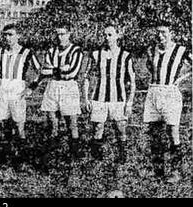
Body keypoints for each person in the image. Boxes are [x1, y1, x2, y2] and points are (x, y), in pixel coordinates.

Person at [144, 21, 191, 183]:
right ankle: (158, 171)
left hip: (170, 92)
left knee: (173, 131)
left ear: (172, 33)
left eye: (164, 32)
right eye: (158, 32)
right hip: (153, 92)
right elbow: (151, 68)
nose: (160, 35)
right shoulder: (151, 50)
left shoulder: (181, 50)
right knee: (154, 133)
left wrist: (181, 80)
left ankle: (176, 171)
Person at [82, 24, 136, 163]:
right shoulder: (96, 54)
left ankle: (122, 157)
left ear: (118, 35)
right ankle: (96, 159)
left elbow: (132, 81)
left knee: (120, 128)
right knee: (98, 127)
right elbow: (86, 77)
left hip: (118, 98)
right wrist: (86, 99)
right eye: (105, 35)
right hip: (99, 98)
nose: (107, 38)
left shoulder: (125, 56)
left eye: (110, 35)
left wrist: (129, 103)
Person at [0, 23, 41, 169]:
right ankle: (5, 158)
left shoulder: (27, 52)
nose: (7, 38)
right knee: (4, 125)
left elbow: (40, 71)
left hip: (17, 91)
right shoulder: (0, 52)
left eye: (11, 34)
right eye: (5, 35)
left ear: (18, 35)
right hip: (3, 91)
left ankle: (20, 159)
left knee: (19, 126)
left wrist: (30, 88)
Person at [40, 22, 84, 165]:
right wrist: (60, 69)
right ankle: (52, 157)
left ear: (69, 34)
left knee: (72, 123)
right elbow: (44, 70)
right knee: (52, 122)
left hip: (69, 87)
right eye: (58, 34)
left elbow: (72, 72)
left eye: (63, 34)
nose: (60, 37)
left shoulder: (76, 51)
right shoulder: (51, 50)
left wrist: (53, 70)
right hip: (53, 86)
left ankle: (75, 156)